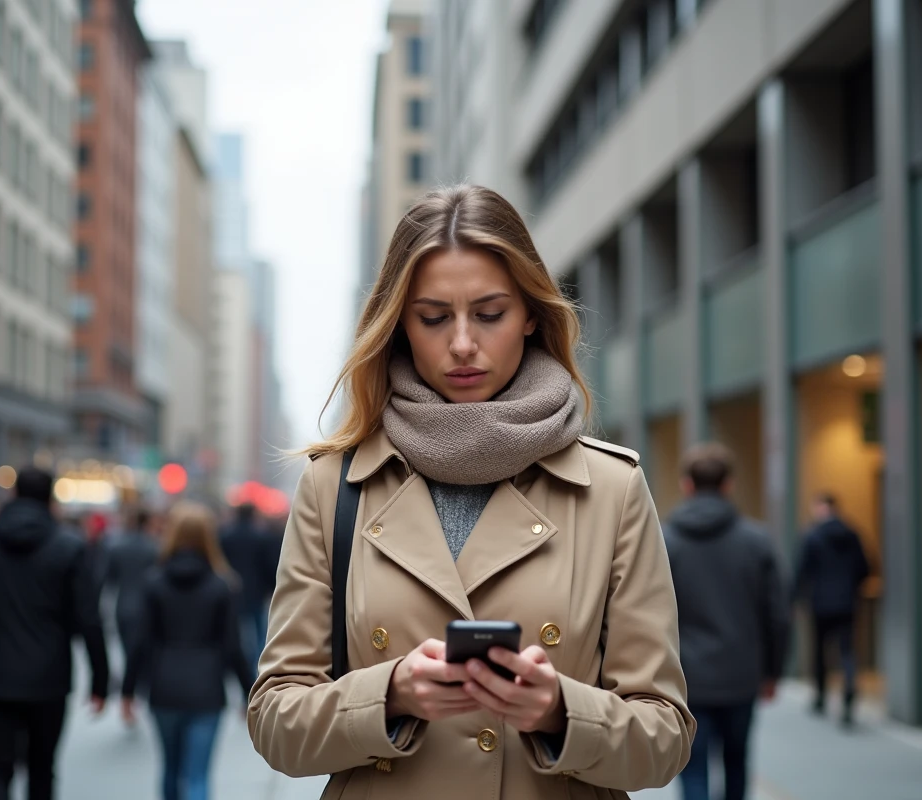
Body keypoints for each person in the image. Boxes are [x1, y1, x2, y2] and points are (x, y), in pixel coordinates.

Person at [248, 185, 694, 799]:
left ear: (532, 314)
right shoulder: (335, 484)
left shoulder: (612, 489)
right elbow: (275, 722)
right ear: (401, 323)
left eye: (489, 314)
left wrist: (559, 711)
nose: (462, 343)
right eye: (433, 318)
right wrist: (392, 693)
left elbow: (664, 737)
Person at [0, 467, 110, 800]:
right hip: (49, 677)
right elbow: (89, 617)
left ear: (13, 494)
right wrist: (100, 680)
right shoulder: (69, 547)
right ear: (51, 499)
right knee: (42, 768)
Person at [665, 444, 789, 800]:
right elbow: (777, 614)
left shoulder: (665, 541)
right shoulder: (757, 540)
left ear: (686, 485)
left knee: (692, 768)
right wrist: (773, 672)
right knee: (736, 763)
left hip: (686, 677)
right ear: (729, 485)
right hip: (741, 674)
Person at [121, 502, 251, 800]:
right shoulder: (223, 585)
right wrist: (248, 692)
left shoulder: (154, 582)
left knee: (169, 769)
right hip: (206, 688)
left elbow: (139, 641)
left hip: (164, 685)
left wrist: (127, 691)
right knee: (197, 777)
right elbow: (233, 645)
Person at [792, 492, 870, 724]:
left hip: (820, 602)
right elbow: (865, 567)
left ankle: (821, 696)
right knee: (847, 650)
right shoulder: (853, 533)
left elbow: (801, 570)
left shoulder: (812, 536)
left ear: (820, 508)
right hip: (847, 601)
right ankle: (848, 689)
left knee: (820, 650)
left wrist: (796, 598)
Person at [218, 502, 281, 664]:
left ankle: (240, 659)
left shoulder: (226, 536)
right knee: (259, 629)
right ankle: (258, 661)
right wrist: (271, 587)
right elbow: (269, 564)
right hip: (257, 590)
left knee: (236, 628)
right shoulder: (261, 536)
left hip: (232, 589)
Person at [105, 508, 160, 661]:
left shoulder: (117, 548)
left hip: (123, 607)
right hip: (147, 608)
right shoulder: (155, 548)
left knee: (128, 654)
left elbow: (109, 579)